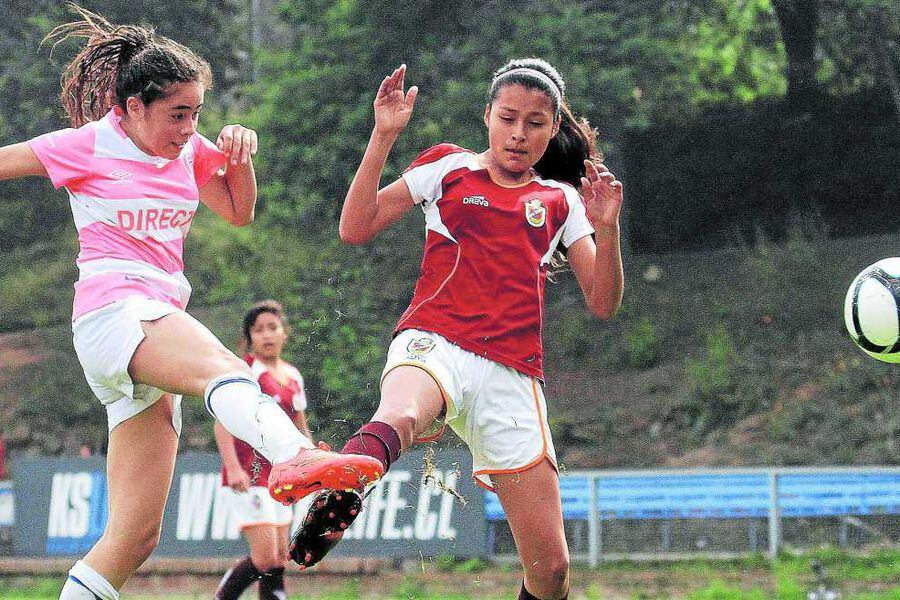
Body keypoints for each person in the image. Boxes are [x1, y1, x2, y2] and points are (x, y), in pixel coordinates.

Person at [0, 6, 382, 599]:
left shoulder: (190, 150)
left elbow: (238, 211)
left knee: (133, 537)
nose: (189, 126)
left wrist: (239, 161)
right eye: (178, 114)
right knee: (225, 369)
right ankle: (295, 456)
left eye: (197, 112)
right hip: (113, 314)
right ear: (131, 107)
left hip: (153, 328)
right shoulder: (85, 145)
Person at [289, 59, 624, 600]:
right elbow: (355, 228)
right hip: (434, 340)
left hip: (512, 375)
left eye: (535, 123)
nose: (518, 134)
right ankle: (341, 491)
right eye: (508, 117)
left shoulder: (561, 202)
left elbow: (604, 302)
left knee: (552, 572)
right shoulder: (447, 168)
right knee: (401, 412)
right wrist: (382, 136)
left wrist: (607, 229)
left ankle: (352, 473)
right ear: (487, 114)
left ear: (554, 129)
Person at [214, 300, 313, 600]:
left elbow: (299, 425)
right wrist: (233, 467)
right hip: (250, 472)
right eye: (259, 330)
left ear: (285, 333)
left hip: (281, 476)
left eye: (273, 327)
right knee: (265, 558)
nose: (267, 335)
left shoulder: (293, 376)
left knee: (280, 558)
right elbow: (222, 422)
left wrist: (313, 461)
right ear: (249, 338)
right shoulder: (245, 371)